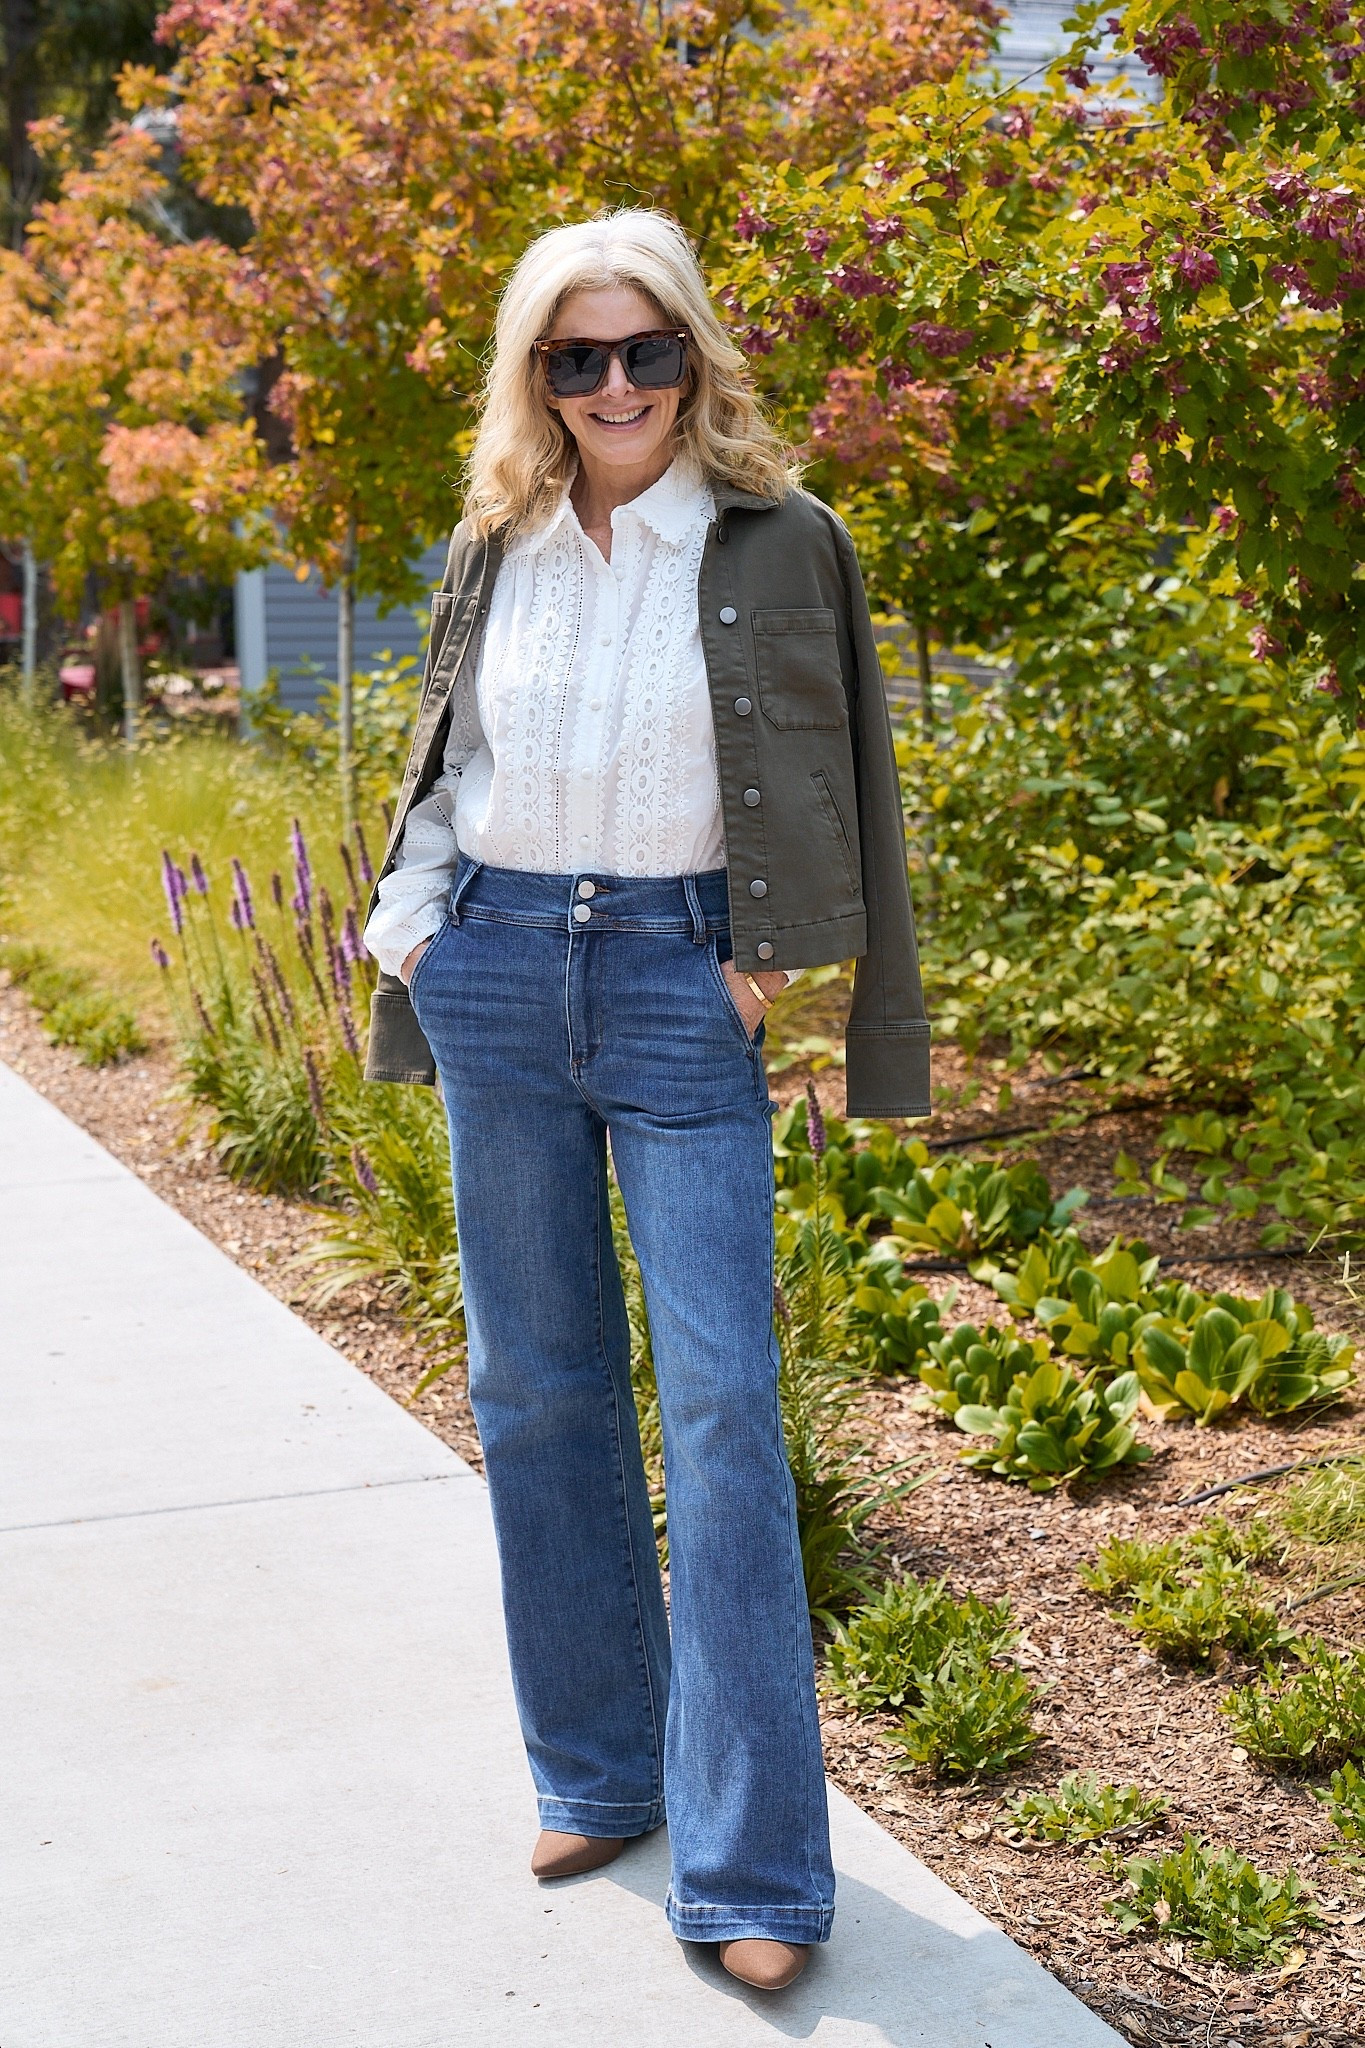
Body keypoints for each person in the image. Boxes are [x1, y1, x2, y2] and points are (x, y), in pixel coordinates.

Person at [362, 208, 930, 1992]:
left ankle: (757, 1864)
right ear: (538, 375)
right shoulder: (499, 541)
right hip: (503, 976)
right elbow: (445, 760)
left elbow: (850, 774)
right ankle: (597, 1770)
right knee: (534, 1392)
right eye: (577, 357)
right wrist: (414, 932)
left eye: (647, 350)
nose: (617, 386)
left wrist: (767, 972)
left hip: (687, 993)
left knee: (722, 1414)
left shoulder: (781, 540)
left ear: (695, 354)